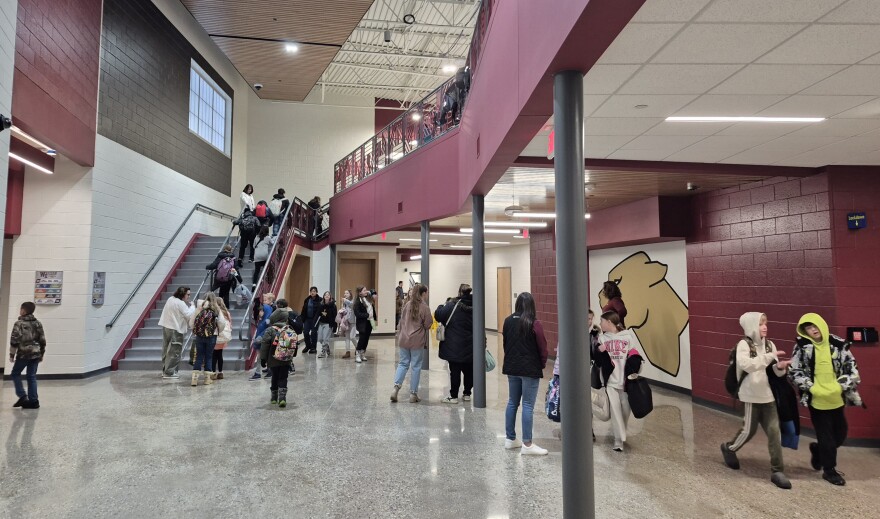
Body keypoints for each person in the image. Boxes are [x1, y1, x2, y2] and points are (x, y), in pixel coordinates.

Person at [718, 312, 792, 489]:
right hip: (750, 395)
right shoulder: (743, 345)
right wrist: (768, 357)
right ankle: (729, 448)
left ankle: (777, 471)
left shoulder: (770, 345)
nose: (764, 327)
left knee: (774, 432)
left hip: (768, 395)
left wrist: (780, 367)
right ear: (751, 326)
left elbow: (772, 372)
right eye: (760, 324)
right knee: (748, 431)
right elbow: (747, 365)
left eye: (765, 323)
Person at [789, 313, 863, 486]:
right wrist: (812, 388)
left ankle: (818, 450)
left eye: (815, 326)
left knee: (840, 434)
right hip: (817, 401)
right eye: (808, 328)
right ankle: (829, 471)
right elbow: (794, 372)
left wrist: (839, 386)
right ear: (804, 331)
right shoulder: (802, 347)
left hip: (836, 399)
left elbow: (853, 370)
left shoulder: (839, 344)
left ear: (821, 325)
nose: (813, 330)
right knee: (826, 437)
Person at [502, 292, 549, 456]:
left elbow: (505, 343)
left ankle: (510, 439)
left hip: (512, 366)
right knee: (528, 405)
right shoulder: (534, 323)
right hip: (529, 368)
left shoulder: (507, 321)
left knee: (512, 402)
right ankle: (527, 444)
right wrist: (542, 363)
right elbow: (543, 347)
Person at [598, 310, 641, 452]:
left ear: (609, 322)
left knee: (626, 410)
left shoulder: (627, 336)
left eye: (602, 321)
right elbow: (598, 359)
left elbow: (634, 355)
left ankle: (621, 432)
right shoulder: (602, 338)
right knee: (615, 411)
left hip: (626, 382)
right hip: (610, 381)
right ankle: (618, 440)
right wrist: (599, 350)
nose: (600, 324)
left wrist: (635, 365)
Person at [553, 309, 599, 440]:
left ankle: (588, 430)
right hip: (568, 374)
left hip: (583, 375)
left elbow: (593, 355)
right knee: (568, 403)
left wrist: (595, 339)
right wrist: (558, 374)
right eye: (587, 318)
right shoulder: (570, 333)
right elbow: (563, 355)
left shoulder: (590, 335)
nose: (590, 321)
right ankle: (567, 430)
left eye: (591, 319)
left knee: (586, 404)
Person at [390, 284, 432, 403]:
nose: (428, 294)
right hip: (417, 340)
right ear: (423, 293)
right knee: (416, 366)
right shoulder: (425, 307)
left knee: (403, 364)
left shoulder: (407, 304)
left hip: (404, 339)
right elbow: (428, 324)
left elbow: (401, 322)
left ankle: (395, 388)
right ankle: (413, 394)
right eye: (427, 292)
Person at [436, 283, 474, 404]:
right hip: (471, 345)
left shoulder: (452, 305)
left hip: (454, 345)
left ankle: (453, 396)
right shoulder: (476, 305)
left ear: (459, 292)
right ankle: (467, 393)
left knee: (455, 371)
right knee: (469, 370)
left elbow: (438, 315)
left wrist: (441, 305)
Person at [9, 302, 46, 409]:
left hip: (24, 354)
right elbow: (42, 340)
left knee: (15, 373)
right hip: (36, 353)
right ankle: (34, 401)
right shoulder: (38, 323)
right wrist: (41, 353)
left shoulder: (19, 324)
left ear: (24, 311)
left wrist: (12, 354)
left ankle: (22, 396)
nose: (20, 310)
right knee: (31, 376)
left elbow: (14, 341)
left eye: (21, 309)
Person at [188, 293, 226, 387]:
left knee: (199, 356)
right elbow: (222, 323)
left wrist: (196, 330)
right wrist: (217, 330)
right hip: (212, 335)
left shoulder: (199, 307)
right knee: (209, 356)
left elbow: (191, 322)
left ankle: (194, 379)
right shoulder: (216, 308)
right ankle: (207, 379)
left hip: (199, 335)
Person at [260, 306, 295, 407]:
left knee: (274, 376)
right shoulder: (289, 329)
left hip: (273, 359)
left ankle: (274, 397)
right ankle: (282, 398)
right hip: (286, 359)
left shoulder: (270, 330)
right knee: (283, 377)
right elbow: (293, 345)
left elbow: (265, 345)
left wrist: (263, 358)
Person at [159, 286, 194, 379]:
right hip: (175, 329)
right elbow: (188, 315)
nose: (189, 296)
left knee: (166, 349)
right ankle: (169, 372)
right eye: (188, 294)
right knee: (175, 350)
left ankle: (165, 370)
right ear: (183, 294)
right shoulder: (180, 303)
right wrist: (192, 307)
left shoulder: (170, 299)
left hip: (166, 326)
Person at [249, 293, 276, 380]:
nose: (263, 302)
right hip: (264, 334)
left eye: (265, 300)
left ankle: (258, 373)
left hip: (263, 335)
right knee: (264, 354)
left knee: (260, 354)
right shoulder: (269, 311)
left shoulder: (266, 309)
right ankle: (268, 371)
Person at [206, 244, 241, 308]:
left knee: (218, 293)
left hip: (219, 278)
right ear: (231, 250)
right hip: (228, 279)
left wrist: (207, 267)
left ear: (224, 249)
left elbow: (214, 265)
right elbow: (235, 269)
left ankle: (218, 307)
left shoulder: (220, 256)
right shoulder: (233, 258)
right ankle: (226, 309)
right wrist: (239, 279)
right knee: (226, 294)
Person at [353, 286, 376, 363]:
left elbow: (375, 295)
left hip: (370, 321)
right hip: (362, 322)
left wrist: (370, 292)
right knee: (362, 338)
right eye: (364, 290)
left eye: (366, 290)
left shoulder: (368, 299)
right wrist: (367, 315)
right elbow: (357, 314)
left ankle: (362, 353)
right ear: (359, 292)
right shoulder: (357, 302)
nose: (366, 291)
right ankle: (357, 354)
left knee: (366, 339)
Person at [212, 298, 232, 380]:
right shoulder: (227, 312)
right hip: (224, 336)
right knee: (220, 354)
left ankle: (213, 373)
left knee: (214, 355)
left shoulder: (215, 312)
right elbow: (230, 324)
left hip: (216, 336)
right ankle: (220, 372)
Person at [300, 287, 321, 355]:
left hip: (315, 319)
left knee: (313, 333)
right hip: (307, 319)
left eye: (314, 291)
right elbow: (304, 309)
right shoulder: (307, 299)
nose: (312, 292)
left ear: (316, 292)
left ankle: (313, 348)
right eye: (311, 291)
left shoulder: (320, 300)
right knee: (305, 332)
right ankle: (308, 346)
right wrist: (302, 318)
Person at [316, 291, 338, 358]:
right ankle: (327, 346)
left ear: (330, 297)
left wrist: (335, 326)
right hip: (321, 323)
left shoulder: (333, 305)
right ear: (323, 296)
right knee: (320, 339)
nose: (327, 296)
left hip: (328, 324)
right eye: (325, 295)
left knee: (325, 338)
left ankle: (323, 352)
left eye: (328, 295)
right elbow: (318, 314)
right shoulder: (321, 304)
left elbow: (335, 316)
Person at [337, 289, 357, 359]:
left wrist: (345, 301)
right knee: (347, 337)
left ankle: (358, 348)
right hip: (346, 322)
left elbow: (352, 305)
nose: (345, 294)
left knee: (352, 337)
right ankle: (347, 352)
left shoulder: (353, 301)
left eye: (347, 293)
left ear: (350, 294)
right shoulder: (344, 302)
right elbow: (344, 310)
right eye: (344, 293)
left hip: (353, 321)